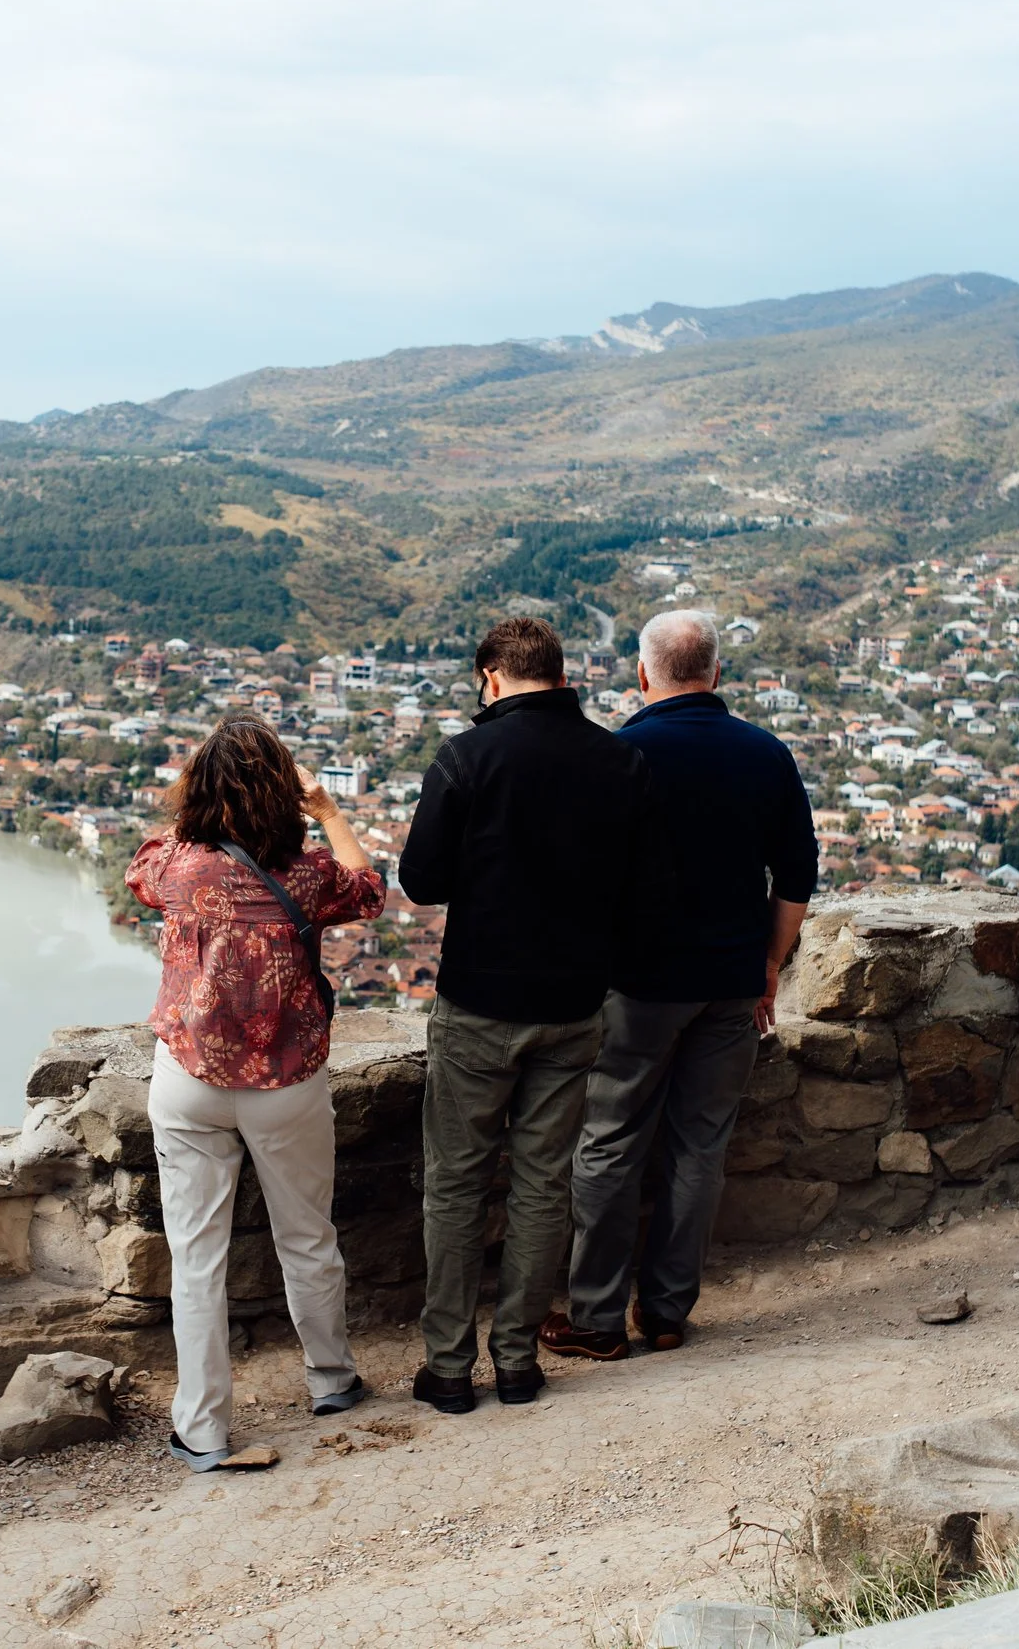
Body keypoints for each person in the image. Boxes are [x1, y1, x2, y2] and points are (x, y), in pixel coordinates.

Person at [396, 616, 656, 1413]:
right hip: (575, 1001)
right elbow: (642, 888)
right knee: (544, 1184)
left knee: (456, 1184)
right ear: (560, 673)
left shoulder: (467, 756)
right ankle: (515, 1360)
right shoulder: (620, 760)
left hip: (479, 1000)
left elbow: (420, 879)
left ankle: (448, 1366)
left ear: (493, 677)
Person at [543, 611, 818, 1361]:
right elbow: (796, 876)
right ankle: (665, 1311)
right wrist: (771, 961)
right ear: (718, 673)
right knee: (701, 1147)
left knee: (610, 1141)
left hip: (635, 985)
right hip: (731, 981)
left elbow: (578, 882)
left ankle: (595, 1316)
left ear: (642, 675)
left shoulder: (618, 754)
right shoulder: (766, 755)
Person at [126, 715, 386, 1471]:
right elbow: (370, 889)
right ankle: (331, 1379)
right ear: (283, 794)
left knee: (196, 1257)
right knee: (307, 1236)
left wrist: (197, 804)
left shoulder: (179, 867)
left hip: (190, 1080)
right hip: (285, 1081)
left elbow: (142, 864)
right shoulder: (304, 873)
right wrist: (328, 811)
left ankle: (203, 1428)